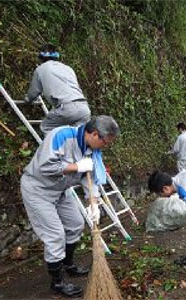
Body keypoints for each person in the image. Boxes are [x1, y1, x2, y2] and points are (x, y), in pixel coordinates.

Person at [20, 115, 120, 297]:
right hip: (38, 189)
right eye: (106, 142)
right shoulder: (62, 135)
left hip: (61, 190)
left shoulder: (93, 150)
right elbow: (44, 167)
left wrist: (93, 203)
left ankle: (68, 264)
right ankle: (57, 283)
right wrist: (75, 166)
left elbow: (91, 179)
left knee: (75, 224)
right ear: (95, 134)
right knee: (55, 235)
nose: (106, 146)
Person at [25, 44, 91, 134]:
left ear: (41, 58)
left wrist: (27, 100)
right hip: (84, 108)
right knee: (76, 137)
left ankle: (52, 147)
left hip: (67, 108)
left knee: (46, 127)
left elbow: (34, 92)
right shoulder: (68, 68)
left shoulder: (40, 69)